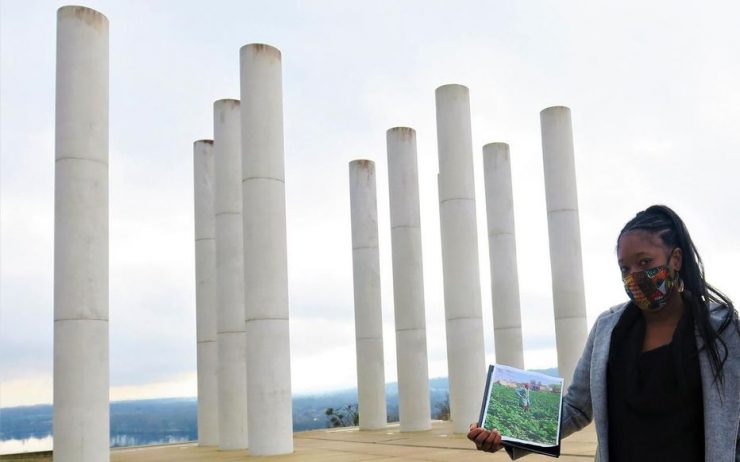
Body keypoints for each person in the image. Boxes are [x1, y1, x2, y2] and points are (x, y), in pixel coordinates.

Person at [468, 205, 739, 461]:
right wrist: (508, 436)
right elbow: (576, 407)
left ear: (675, 259)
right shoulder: (607, 329)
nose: (634, 275)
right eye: (625, 268)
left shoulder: (721, 328)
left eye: (645, 262)